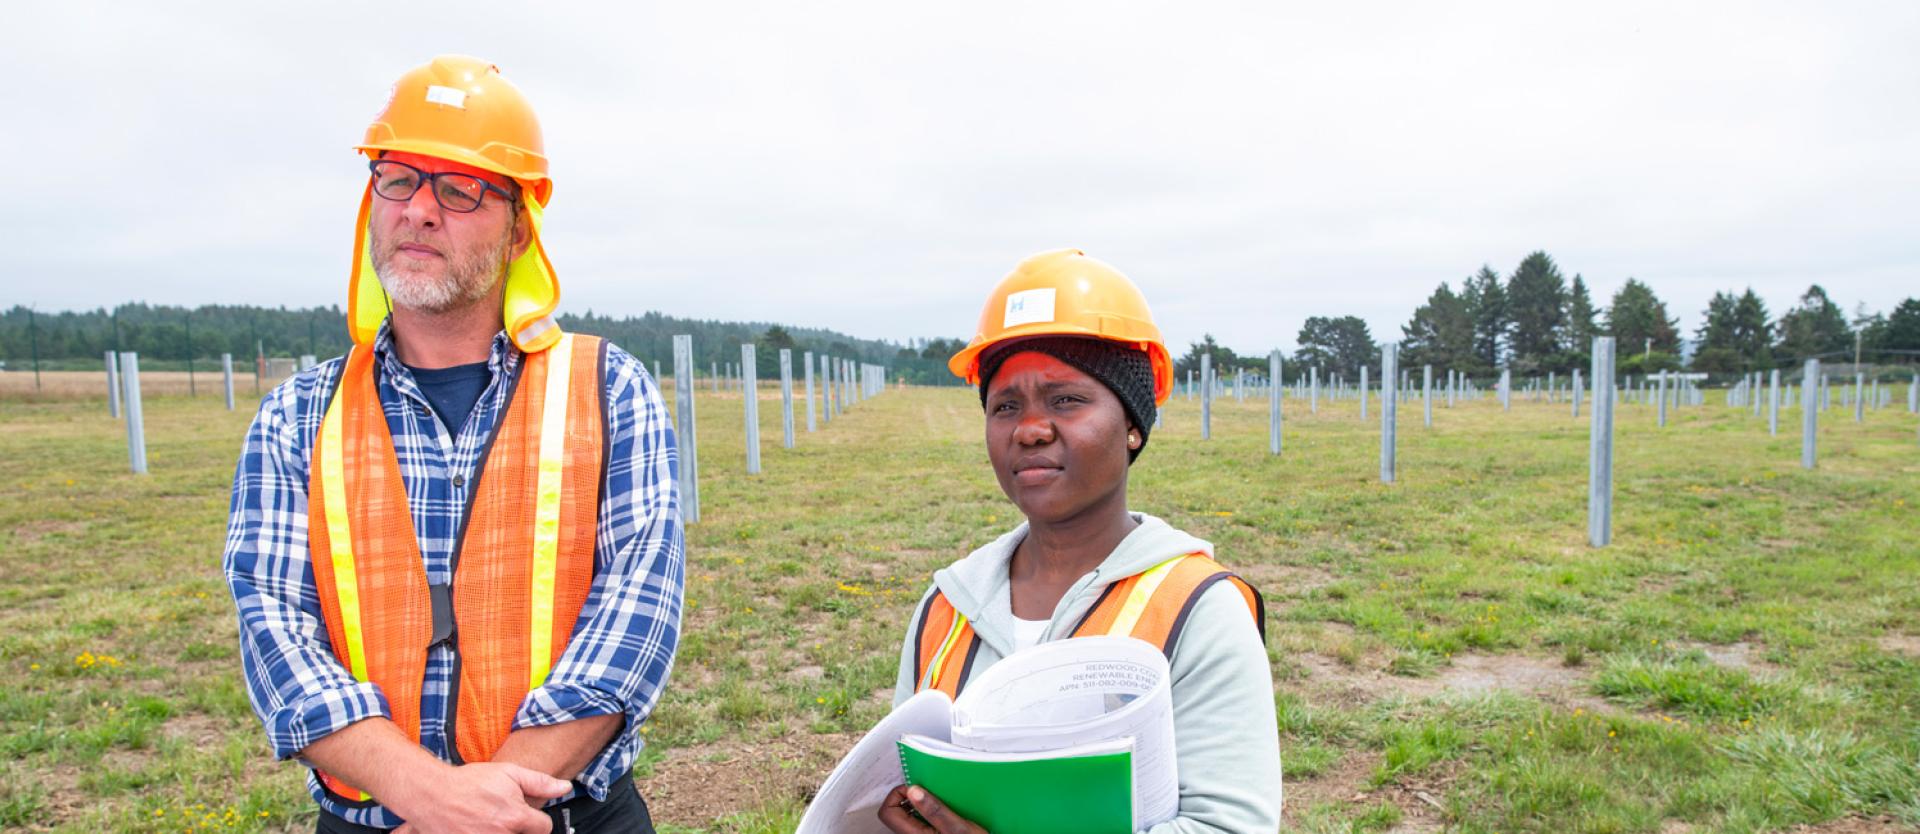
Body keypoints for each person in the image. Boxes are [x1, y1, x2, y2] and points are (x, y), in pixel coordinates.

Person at [222, 55, 684, 834]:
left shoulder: (607, 390)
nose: (419, 210)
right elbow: (278, 633)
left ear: (518, 233)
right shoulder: (296, 417)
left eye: (461, 188)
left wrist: (487, 808)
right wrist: (431, 802)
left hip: (568, 817)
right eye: (398, 178)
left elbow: (634, 620)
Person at [878, 249, 1282, 833]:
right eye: (1004, 406)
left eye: (1066, 400)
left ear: (1133, 426)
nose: (1030, 428)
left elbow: (1230, 826)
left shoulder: (1196, 608)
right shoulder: (947, 607)